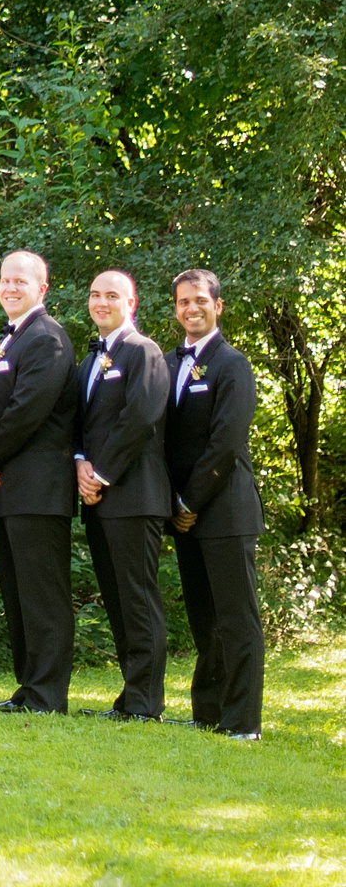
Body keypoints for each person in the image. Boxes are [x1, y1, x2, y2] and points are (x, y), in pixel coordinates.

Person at [0, 249, 78, 714]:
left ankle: (48, 694)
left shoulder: (47, 339)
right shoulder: (11, 339)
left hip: (38, 488)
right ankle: (28, 687)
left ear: (42, 288)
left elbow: (27, 411)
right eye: (4, 280)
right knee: (18, 595)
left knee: (42, 595)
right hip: (7, 488)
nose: (9, 287)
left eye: (20, 281)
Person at [166, 269, 265, 739]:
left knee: (237, 618)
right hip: (185, 515)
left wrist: (189, 500)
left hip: (224, 509)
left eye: (200, 300)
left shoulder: (232, 364)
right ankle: (208, 712)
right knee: (204, 619)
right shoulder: (167, 363)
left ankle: (243, 721)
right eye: (184, 302)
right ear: (175, 309)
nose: (192, 308)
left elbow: (226, 443)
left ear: (218, 306)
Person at [75, 269, 171, 722]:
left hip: (133, 494)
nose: (101, 302)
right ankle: (129, 696)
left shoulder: (142, 351)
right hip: (100, 496)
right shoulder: (91, 356)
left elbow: (142, 417)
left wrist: (102, 473)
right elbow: (84, 423)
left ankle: (146, 702)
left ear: (131, 303)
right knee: (116, 598)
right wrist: (80, 463)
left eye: (112, 295)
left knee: (137, 597)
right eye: (95, 295)